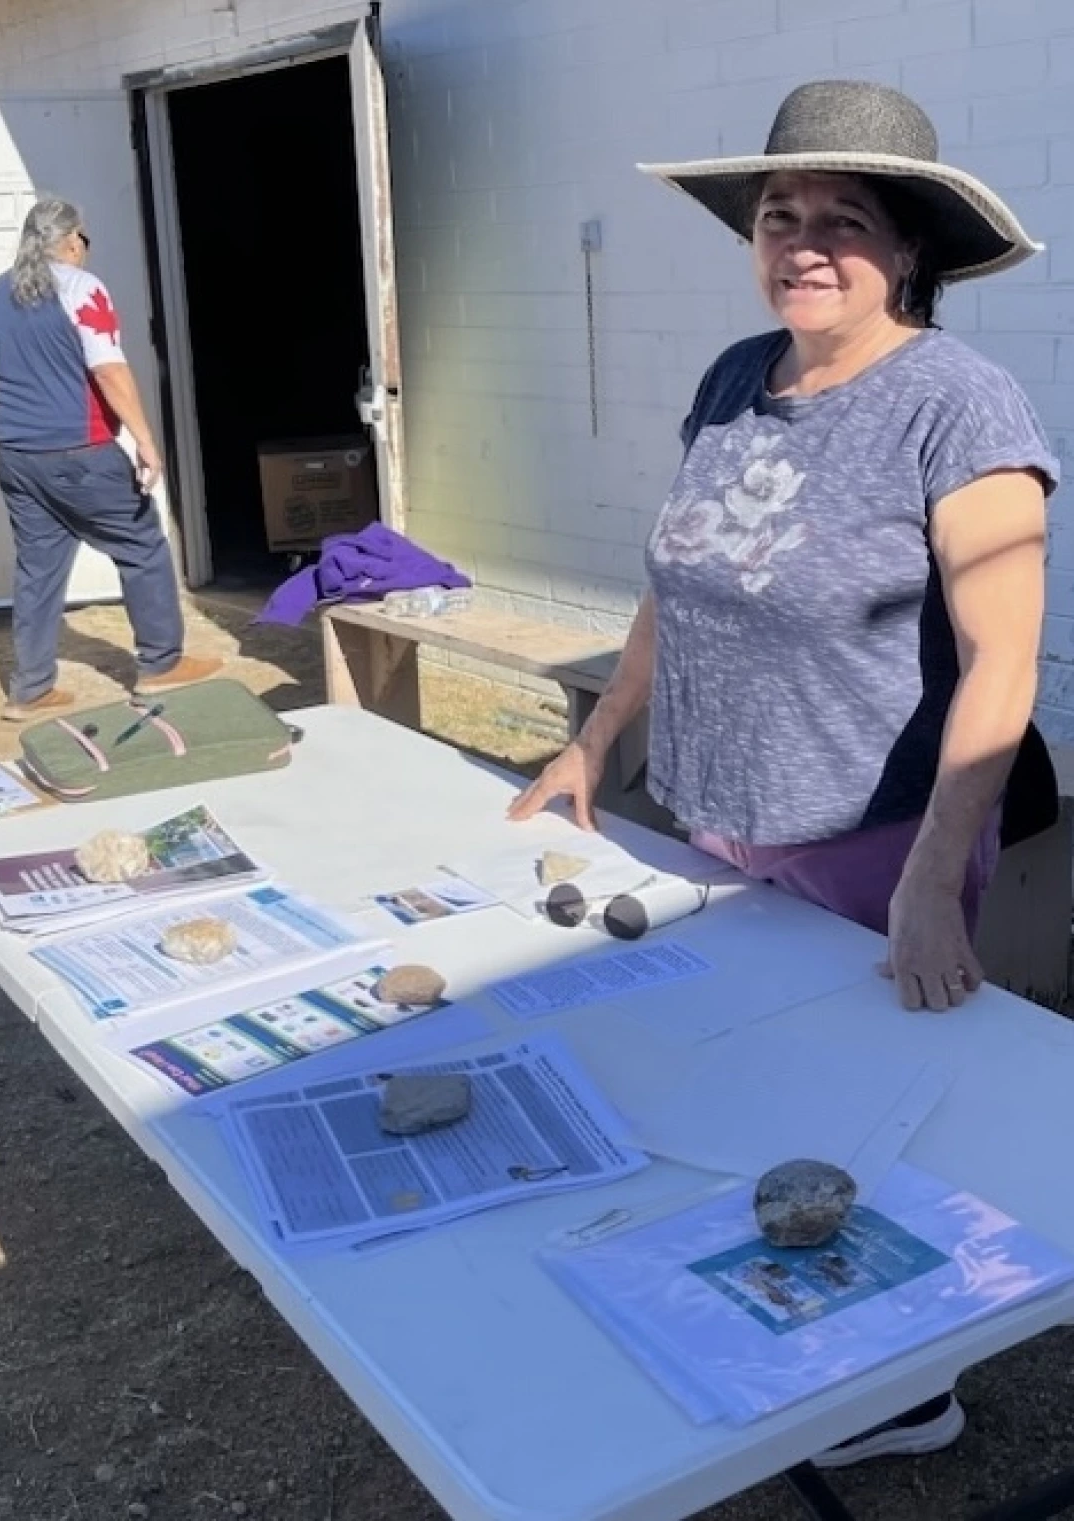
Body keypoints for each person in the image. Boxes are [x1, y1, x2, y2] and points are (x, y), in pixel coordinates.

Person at [510, 79, 1059, 1463]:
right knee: (751, 1082)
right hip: (715, 814)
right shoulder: (732, 376)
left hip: (871, 834)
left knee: (878, 1109)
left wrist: (938, 877)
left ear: (912, 249)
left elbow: (1003, 663)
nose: (805, 241)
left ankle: (906, 1389)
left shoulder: (957, 401)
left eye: (846, 219)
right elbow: (671, 586)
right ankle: (790, 1319)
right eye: (780, 214)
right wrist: (596, 740)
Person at [0, 197, 221, 721]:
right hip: (79, 450)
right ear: (69, 242)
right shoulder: (81, 289)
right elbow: (109, 372)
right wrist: (146, 441)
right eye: (84, 240)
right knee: (142, 545)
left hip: (18, 455)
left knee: (38, 568)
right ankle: (161, 664)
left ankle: (30, 688)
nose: (86, 249)